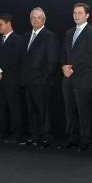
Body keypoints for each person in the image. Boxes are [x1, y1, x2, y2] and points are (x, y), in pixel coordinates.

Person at [59, 3, 92, 151]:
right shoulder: (69, 32)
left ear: (87, 15)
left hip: (83, 78)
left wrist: (72, 67)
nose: (76, 15)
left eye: (80, 13)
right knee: (69, 110)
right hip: (68, 78)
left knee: (83, 112)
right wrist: (64, 66)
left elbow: (90, 55)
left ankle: (85, 139)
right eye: (75, 13)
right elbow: (63, 52)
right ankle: (72, 137)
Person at [20, 8, 59, 148]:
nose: (35, 20)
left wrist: (44, 78)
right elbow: (23, 60)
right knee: (31, 111)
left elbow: (52, 61)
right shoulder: (25, 36)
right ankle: (34, 136)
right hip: (28, 81)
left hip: (42, 82)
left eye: (38, 18)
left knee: (43, 111)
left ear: (44, 20)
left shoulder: (49, 36)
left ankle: (45, 137)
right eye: (33, 18)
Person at [0, 13, 23, 143]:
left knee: (14, 108)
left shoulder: (18, 39)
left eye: (1, 24)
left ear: (9, 24)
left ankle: (16, 133)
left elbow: (13, 59)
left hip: (11, 80)